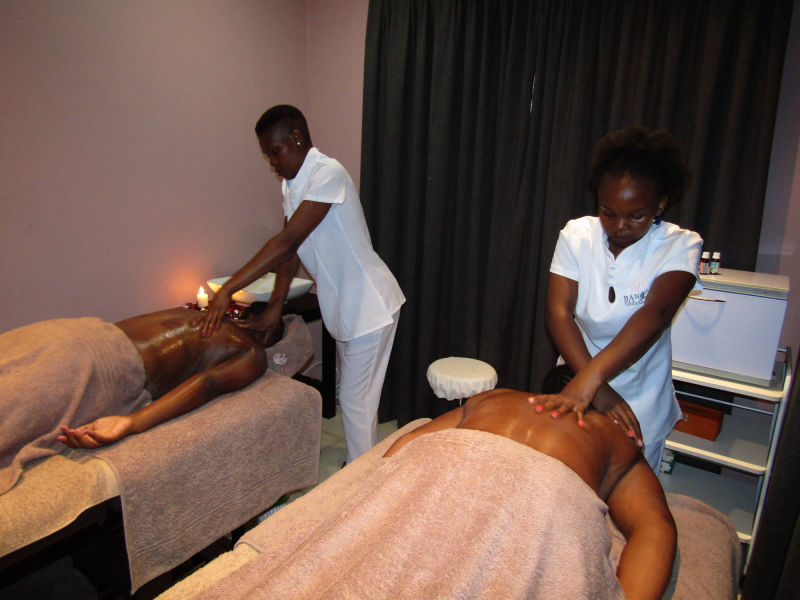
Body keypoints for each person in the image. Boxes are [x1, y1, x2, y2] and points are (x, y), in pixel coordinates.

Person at [197, 104, 405, 463]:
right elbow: (290, 252)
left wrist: (228, 289)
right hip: (348, 309)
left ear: (296, 138)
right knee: (359, 403)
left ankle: (363, 481)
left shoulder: (328, 173)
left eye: (274, 152)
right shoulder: (292, 186)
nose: (272, 163)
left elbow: (286, 241)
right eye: (267, 155)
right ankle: (367, 467)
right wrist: (275, 306)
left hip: (370, 307)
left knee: (355, 403)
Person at [383, 382, 677, 600]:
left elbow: (408, 443)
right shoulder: (611, 432)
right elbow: (655, 527)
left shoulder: (494, 397)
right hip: (547, 492)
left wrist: (378, 505)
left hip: (461, 467)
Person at [534, 126, 703, 472]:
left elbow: (656, 314)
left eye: (635, 215)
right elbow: (559, 313)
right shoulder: (577, 235)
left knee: (629, 491)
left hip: (639, 400)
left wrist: (592, 382)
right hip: (576, 380)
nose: (619, 225)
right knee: (571, 480)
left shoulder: (680, 245)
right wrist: (596, 388)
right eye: (608, 212)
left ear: (660, 204)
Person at [0, 306, 286, 493]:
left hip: (70, 331)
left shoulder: (196, 312)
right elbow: (206, 384)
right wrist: (133, 422)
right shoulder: (252, 353)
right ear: (270, 339)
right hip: (102, 365)